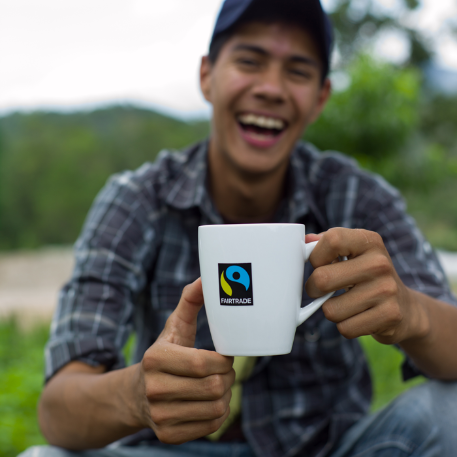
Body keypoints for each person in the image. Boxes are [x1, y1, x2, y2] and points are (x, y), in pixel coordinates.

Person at [20, 1, 457, 456]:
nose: (270, 88)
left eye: (298, 71)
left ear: (320, 98)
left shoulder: (355, 196)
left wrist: (412, 311)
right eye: (249, 61)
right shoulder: (137, 200)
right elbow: (57, 411)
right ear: (207, 75)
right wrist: (136, 395)